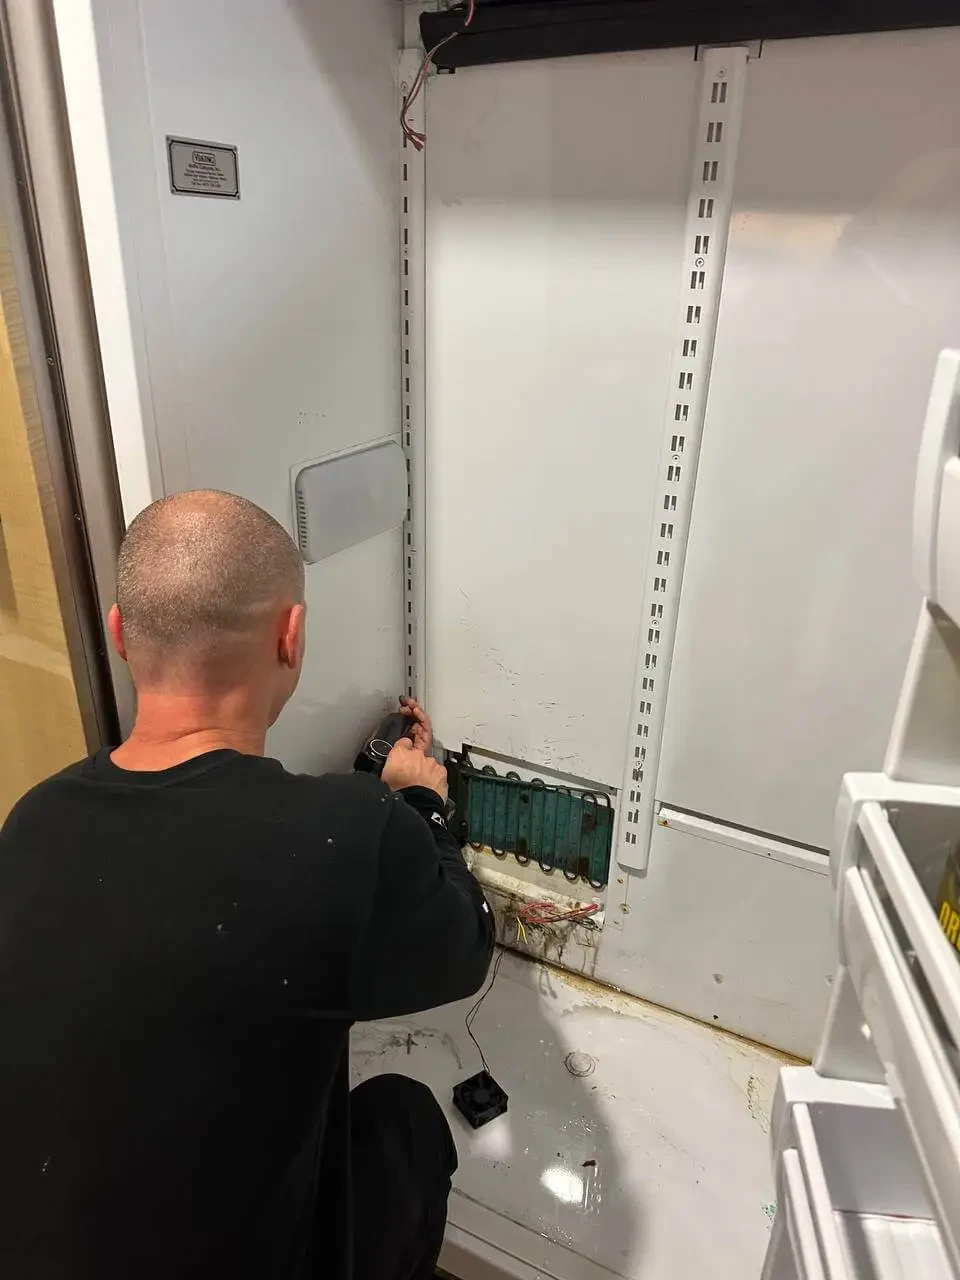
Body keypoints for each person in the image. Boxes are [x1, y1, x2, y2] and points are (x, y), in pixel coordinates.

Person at [0, 490, 493, 1280]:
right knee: (406, 1121)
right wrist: (422, 806)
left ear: (119, 633)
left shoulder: (33, 820)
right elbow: (465, 947)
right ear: (290, 637)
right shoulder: (349, 833)